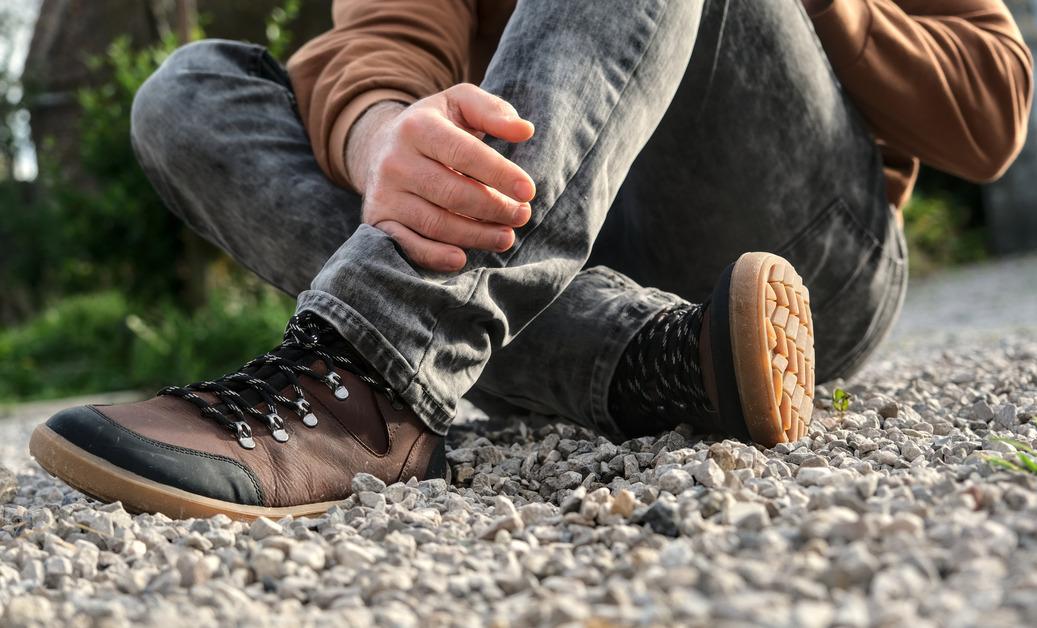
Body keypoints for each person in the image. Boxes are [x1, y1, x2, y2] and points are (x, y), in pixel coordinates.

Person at [29, 0, 1032, 519]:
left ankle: (369, 375)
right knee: (188, 97)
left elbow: (988, 110)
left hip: (798, 249)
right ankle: (663, 356)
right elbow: (380, 40)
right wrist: (384, 137)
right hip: (547, 241)